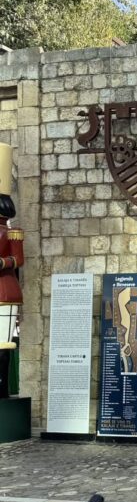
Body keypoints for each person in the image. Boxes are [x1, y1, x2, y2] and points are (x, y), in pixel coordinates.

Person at [0, 143, 23, 399]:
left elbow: (18, 258)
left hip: (5, 291)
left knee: (3, 345)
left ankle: (2, 386)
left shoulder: (11, 231)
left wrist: (2, 263)